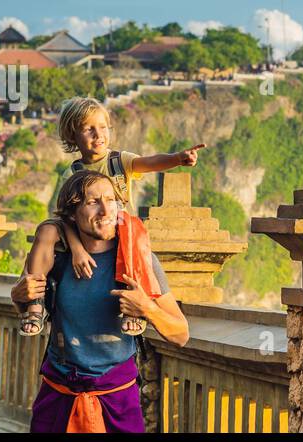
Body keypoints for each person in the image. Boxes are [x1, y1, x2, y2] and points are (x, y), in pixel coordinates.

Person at [11, 170, 190, 433]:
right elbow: (29, 311)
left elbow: (181, 334)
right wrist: (18, 296)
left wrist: (147, 309)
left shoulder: (140, 260)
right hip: (59, 393)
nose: (106, 210)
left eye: (111, 200)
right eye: (93, 202)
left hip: (117, 399)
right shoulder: (56, 258)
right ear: (72, 213)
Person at [18, 96, 204, 338]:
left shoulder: (119, 161)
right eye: (89, 129)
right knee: (47, 229)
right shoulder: (72, 173)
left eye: (103, 127)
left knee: (134, 233)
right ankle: (35, 305)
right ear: (72, 136)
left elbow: (149, 162)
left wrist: (177, 158)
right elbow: (64, 218)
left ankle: (134, 309)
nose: (98, 135)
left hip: (121, 231)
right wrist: (77, 250)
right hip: (81, 235)